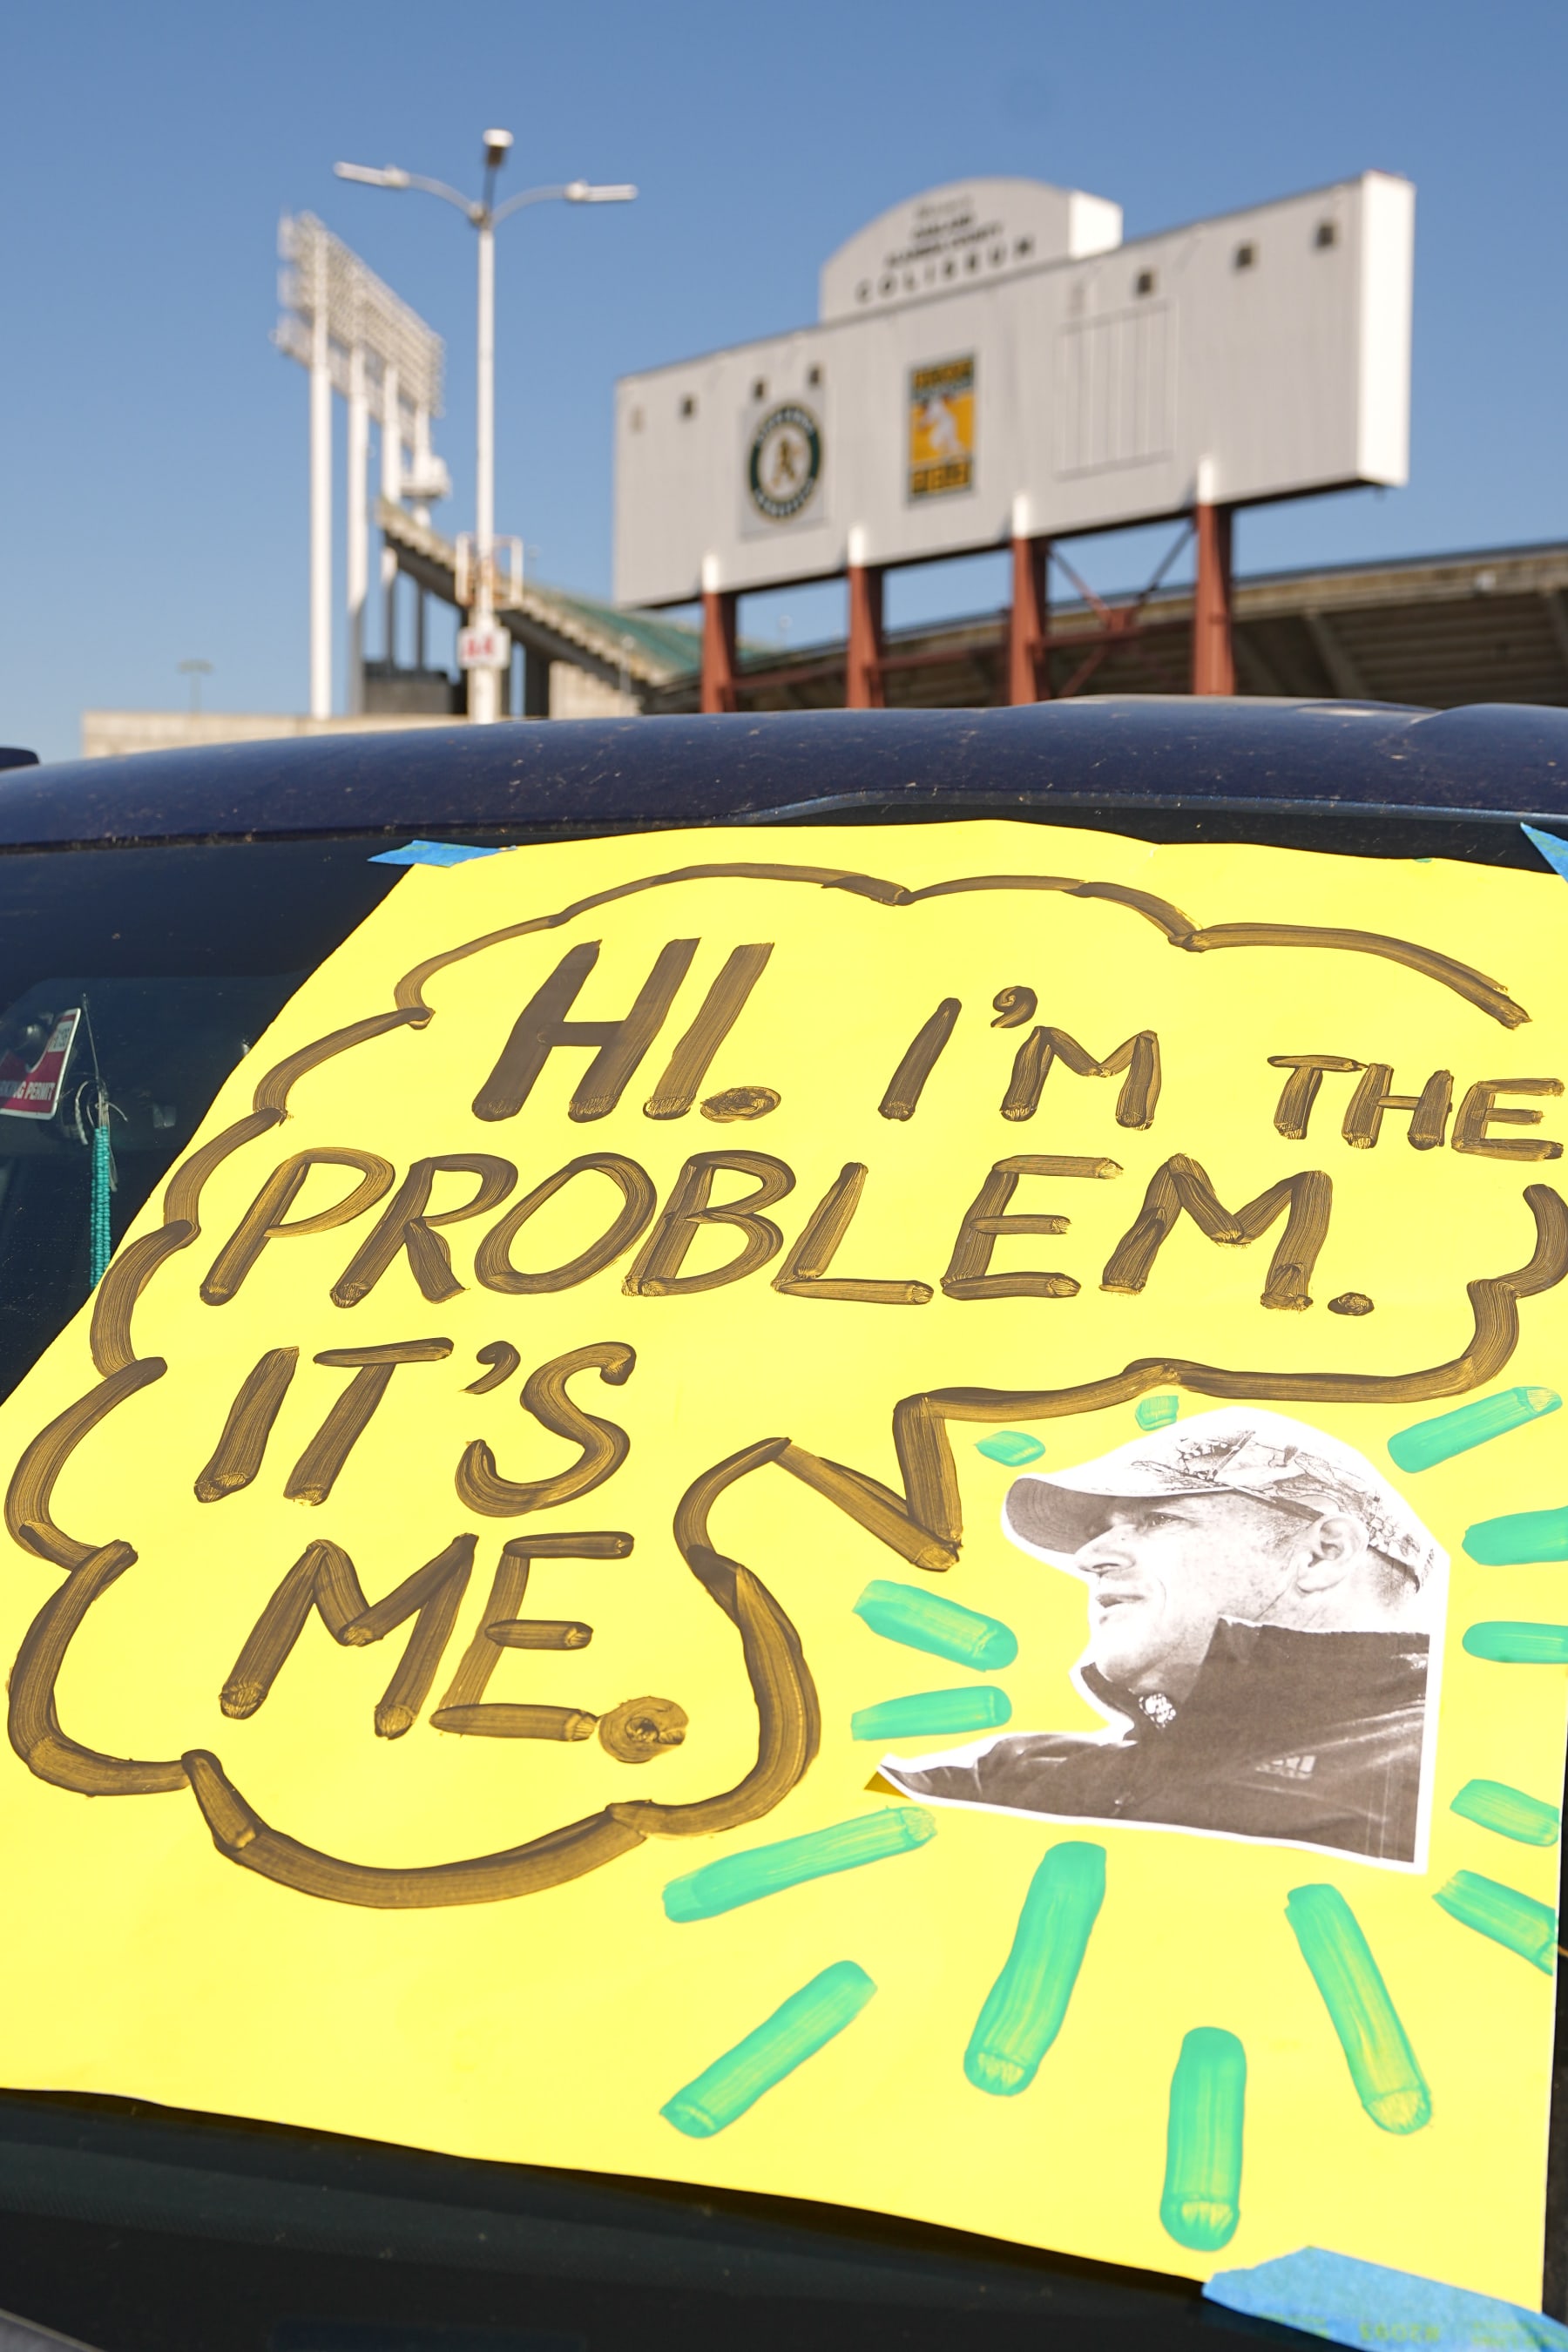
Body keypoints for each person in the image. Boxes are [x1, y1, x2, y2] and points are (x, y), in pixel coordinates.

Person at [880, 1408, 1443, 1864]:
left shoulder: (1431, 1782)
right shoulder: (1018, 1773)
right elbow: (826, 1812)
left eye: (1156, 1518)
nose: (1089, 1557)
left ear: (1324, 1555)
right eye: (1099, 1531)